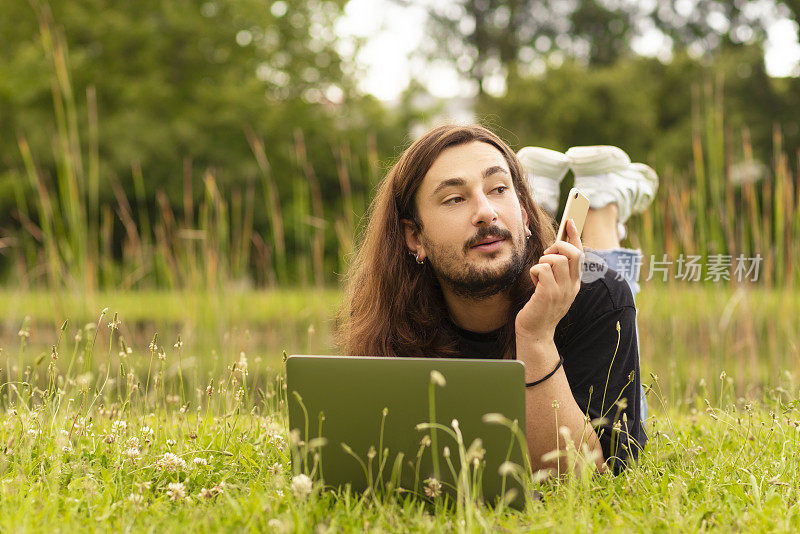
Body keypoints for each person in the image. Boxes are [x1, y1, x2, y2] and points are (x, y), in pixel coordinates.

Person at [337, 124, 657, 475]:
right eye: (455, 198)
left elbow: (588, 478)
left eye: (499, 189)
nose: (486, 212)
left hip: (590, 337)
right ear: (414, 236)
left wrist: (536, 337)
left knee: (595, 262)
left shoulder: (599, 295)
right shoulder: (386, 313)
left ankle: (603, 199)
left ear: (522, 211)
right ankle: (545, 195)